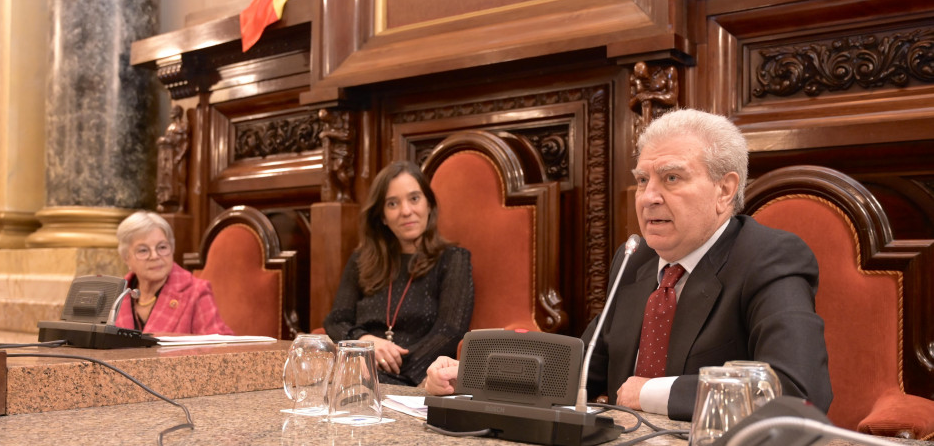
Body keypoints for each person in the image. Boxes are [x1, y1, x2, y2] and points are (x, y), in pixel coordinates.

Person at [425, 109, 832, 421]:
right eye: (642, 180)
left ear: (724, 190)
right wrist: (474, 377)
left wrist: (653, 392)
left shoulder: (767, 257)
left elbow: (796, 389)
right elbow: (581, 369)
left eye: (671, 178)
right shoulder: (636, 259)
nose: (648, 197)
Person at [324, 160, 474, 387]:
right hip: (358, 371)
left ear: (429, 205)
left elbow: (449, 332)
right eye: (392, 203)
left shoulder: (453, 259)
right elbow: (336, 321)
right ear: (382, 216)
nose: (406, 211)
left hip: (418, 378)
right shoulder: (361, 260)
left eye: (414, 199)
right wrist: (365, 343)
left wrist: (390, 368)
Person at [114, 211, 233, 335]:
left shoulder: (196, 292)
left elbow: (220, 346)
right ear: (126, 257)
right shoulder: (116, 295)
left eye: (162, 247)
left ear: (172, 249)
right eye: (143, 250)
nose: (155, 256)